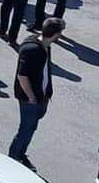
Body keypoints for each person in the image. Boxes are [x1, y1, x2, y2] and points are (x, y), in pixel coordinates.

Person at [7, 17, 65, 170]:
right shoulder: (32, 49)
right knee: (25, 129)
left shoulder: (45, 46)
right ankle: (13, 158)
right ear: (56, 35)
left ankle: (21, 154)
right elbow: (22, 75)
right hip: (30, 99)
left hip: (41, 97)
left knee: (31, 128)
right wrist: (31, 97)